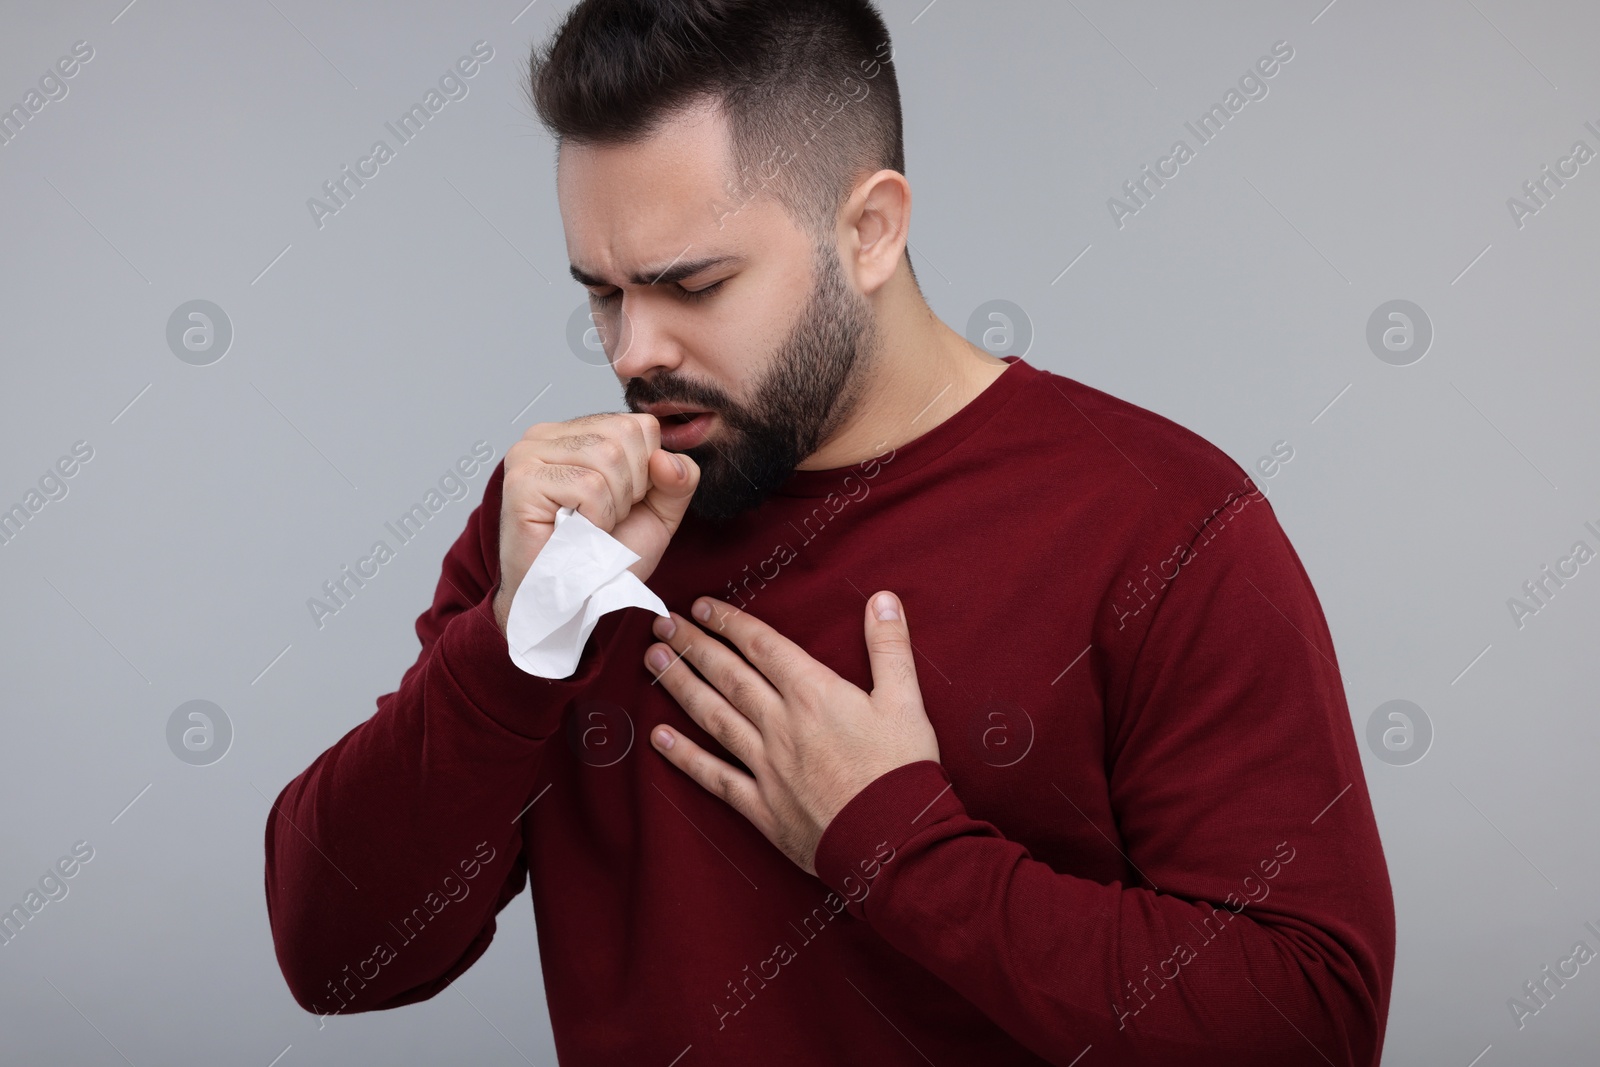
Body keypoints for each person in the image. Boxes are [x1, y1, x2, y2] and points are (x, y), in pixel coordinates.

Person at [264, 2, 1395, 1063]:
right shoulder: (569, 536)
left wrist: (894, 840)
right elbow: (334, 957)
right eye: (603, 292)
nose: (630, 352)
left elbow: (1308, 1022)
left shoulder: (1161, 523)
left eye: (692, 285)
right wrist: (516, 641)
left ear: (869, 230)